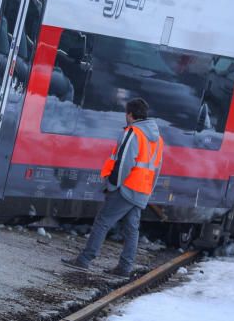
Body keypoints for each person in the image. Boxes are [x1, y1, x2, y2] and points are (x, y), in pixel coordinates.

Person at [63, 97, 164, 276]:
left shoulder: (134, 132)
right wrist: (148, 191)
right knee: (132, 229)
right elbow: (156, 169)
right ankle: (125, 267)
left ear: (130, 115)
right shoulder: (157, 139)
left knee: (102, 221)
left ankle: (85, 259)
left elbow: (124, 162)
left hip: (125, 188)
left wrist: (111, 184)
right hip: (142, 190)